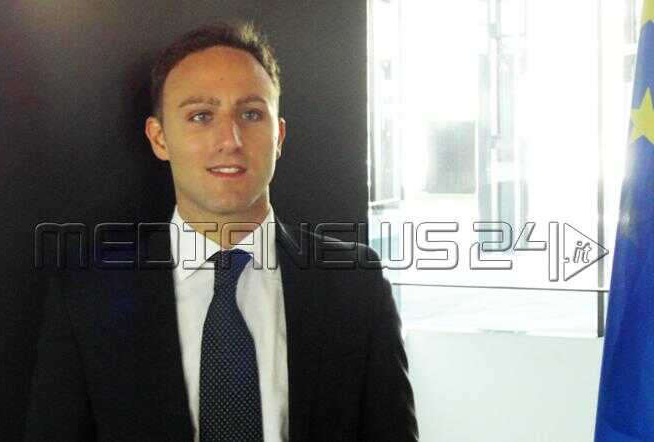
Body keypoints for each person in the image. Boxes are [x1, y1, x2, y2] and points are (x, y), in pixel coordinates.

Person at [24, 22, 418, 442]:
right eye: (201, 116)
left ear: (278, 136)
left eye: (251, 114)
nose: (230, 140)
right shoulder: (87, 298)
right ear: (159, 138)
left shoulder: (354, 285)